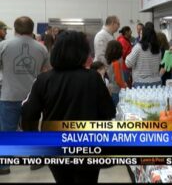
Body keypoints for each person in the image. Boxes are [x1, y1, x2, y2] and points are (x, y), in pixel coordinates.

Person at [21, 31, 115, 183]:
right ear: (83, 53)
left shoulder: (43, 80)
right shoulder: (93, 78)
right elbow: (109, 111)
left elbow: (28, 114)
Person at [0, 16, 50, 175]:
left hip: (9, 95)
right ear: (32, 29)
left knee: (7, 132)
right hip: (32, 98)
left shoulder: (3, 45)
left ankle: (4, 166)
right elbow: (45, 72)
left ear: (15, 29)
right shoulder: (41, 48)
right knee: (31, 129)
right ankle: (35, 161)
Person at [105, 40, 127, 106]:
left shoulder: (109, 62)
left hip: (110, 89)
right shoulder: (116, 63)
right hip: (116, 91)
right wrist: (124, 86)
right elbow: (118, 80)